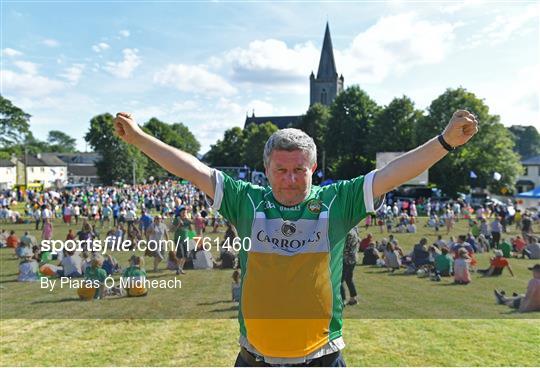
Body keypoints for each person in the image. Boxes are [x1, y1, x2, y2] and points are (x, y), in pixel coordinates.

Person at [114, 108, 478, 366]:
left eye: (299, 170)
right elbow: (191, 168)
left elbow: (394, 172)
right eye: (281, 170)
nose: (290, 178)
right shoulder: (247, 200)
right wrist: (140, 138)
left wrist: (444, 142)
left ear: (313, 169)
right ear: (267, 169)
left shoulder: (337, 201)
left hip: (321, 358)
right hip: (254, 358)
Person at [341, 227, 360, 306]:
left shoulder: (348, 232)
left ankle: (342, 300)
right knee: (349, 279)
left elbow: (343, 247)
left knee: (339, 281)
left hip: (347, 260)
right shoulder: (355, 228)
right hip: (353, 258)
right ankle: (353, 298)